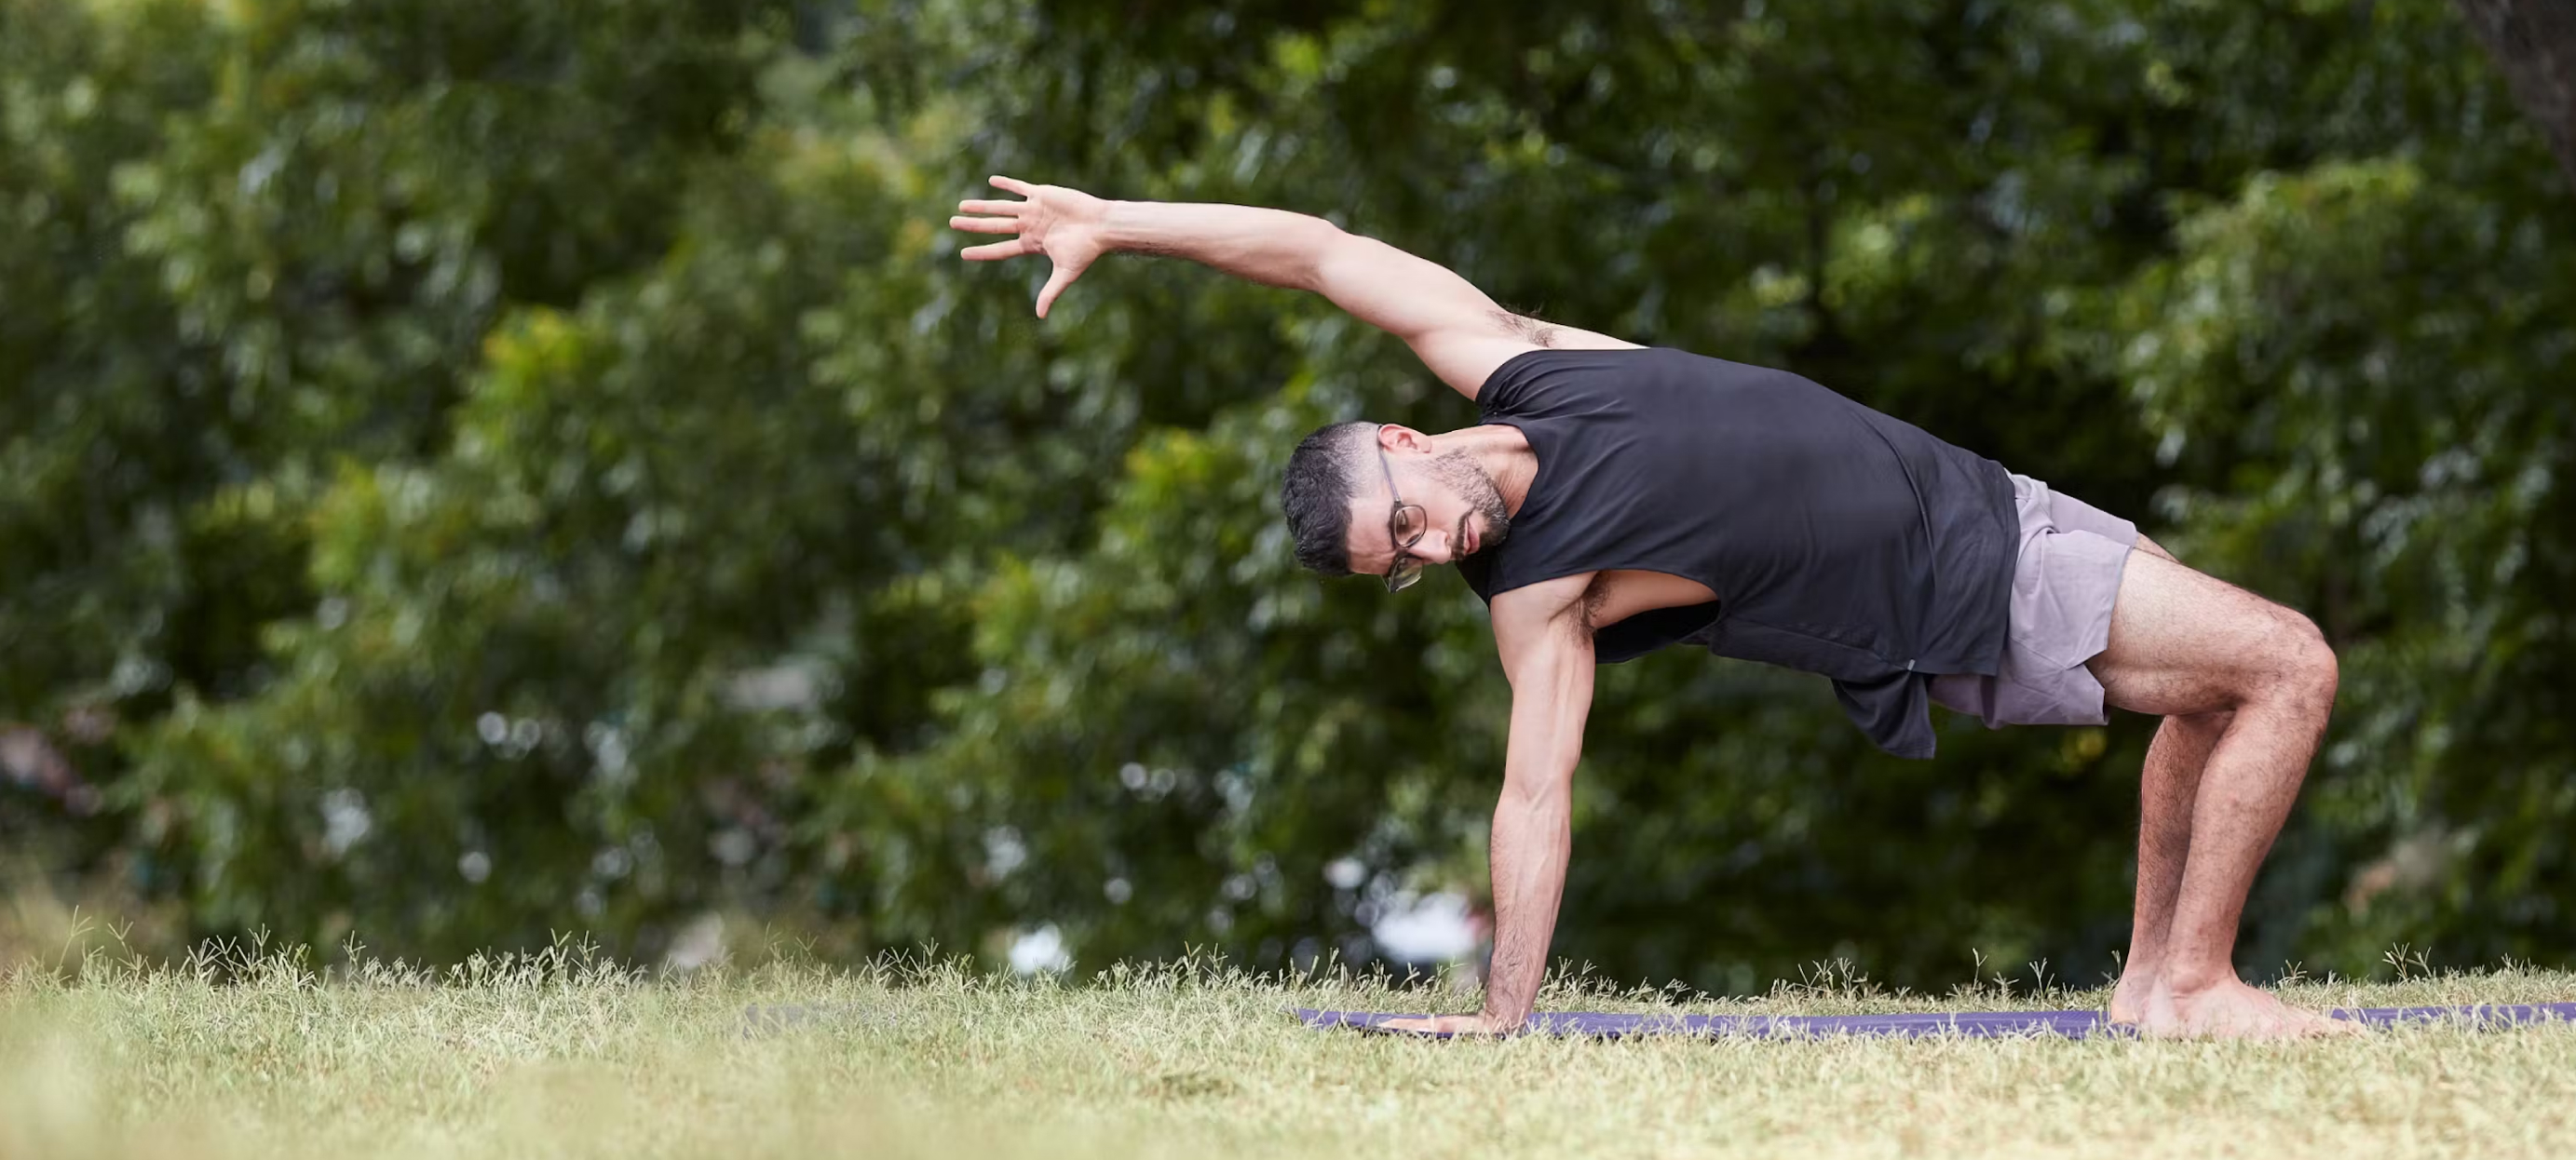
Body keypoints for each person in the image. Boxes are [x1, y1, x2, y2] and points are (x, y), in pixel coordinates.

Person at [949, 175, 2354, 1039]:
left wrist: (1116, 224)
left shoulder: (1517, 358)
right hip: (1969, 586)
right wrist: (1504, 1011)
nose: (1432, 547)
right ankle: (2199, 988)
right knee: (2288, 664)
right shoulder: (1541, 597)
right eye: (1406, 564)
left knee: (2209, 697)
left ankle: (2153, 988)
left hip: (1986, 491)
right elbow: (1534, 795)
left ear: (1400, 438)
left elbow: (1317, 250)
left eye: (1409, 520)